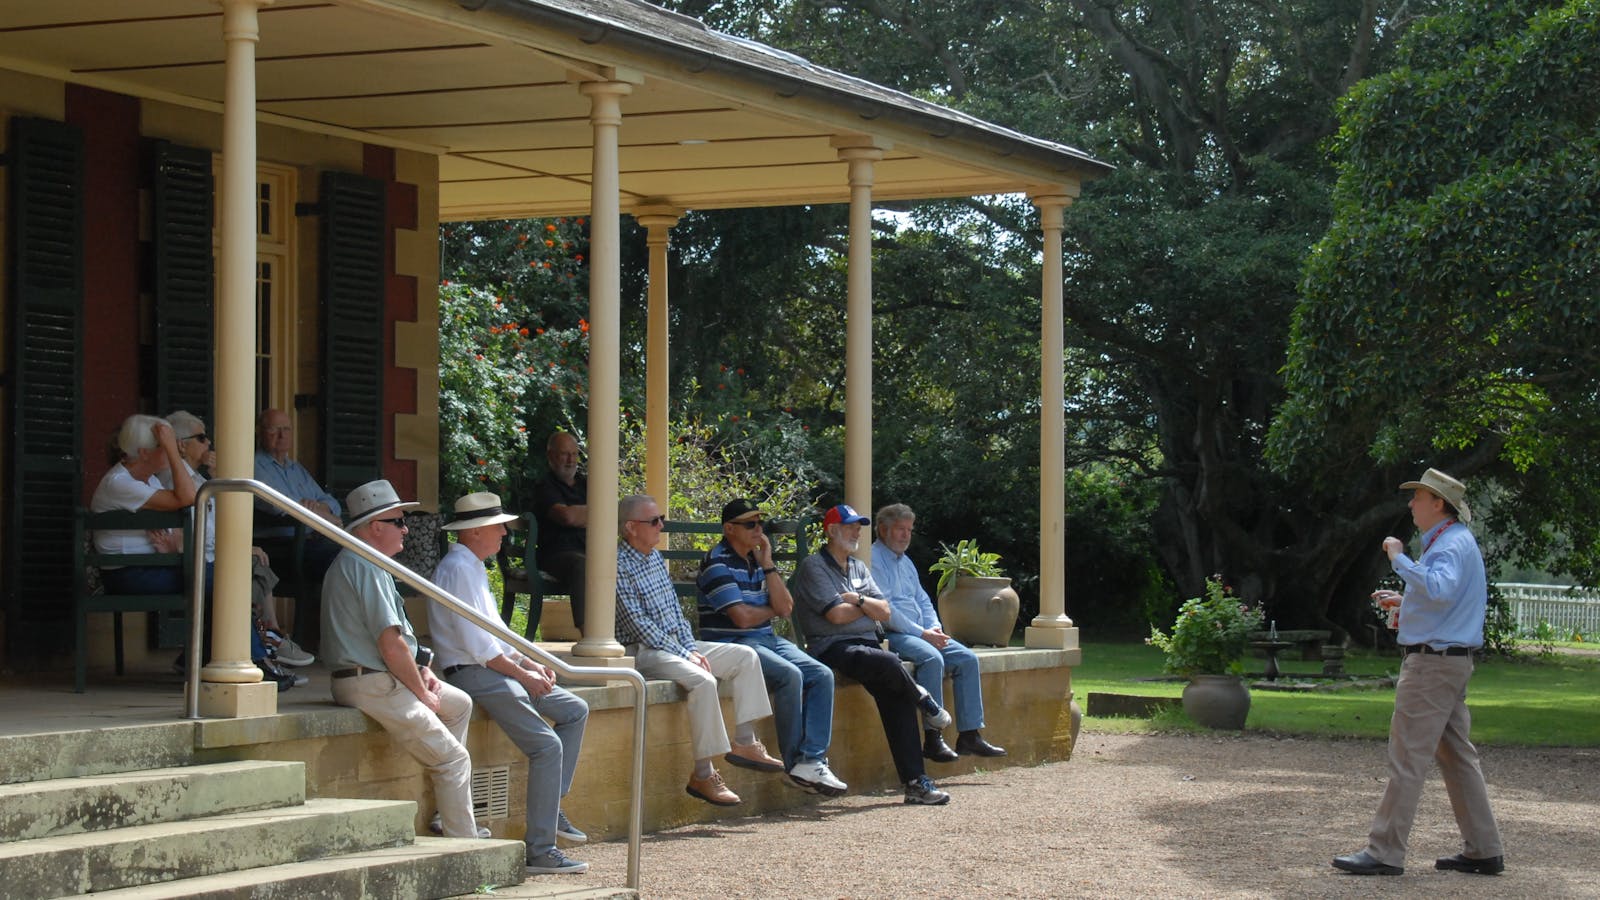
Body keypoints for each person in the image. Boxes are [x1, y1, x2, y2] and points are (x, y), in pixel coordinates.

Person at [1333, 468, 1504, 877]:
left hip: (1431, 665)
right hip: (1450, 663)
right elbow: (1443, 599)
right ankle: (1484, 849)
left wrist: (1398, 557)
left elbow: (1440, 589)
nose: (1411, 504)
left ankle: (1385, 851)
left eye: (1419, 497)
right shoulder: (1456, 542)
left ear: (1438, 504)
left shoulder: (1447, 546)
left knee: (1408, 756)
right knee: (1458, 757)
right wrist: (1406, 602)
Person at [429, 491, 590, 875]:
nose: (505, 532)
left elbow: (497, 634)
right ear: (477, 531)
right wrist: (523, 674)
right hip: (472, 672)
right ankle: (540, 850)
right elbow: (478, 646)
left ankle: (551, 809)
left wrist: (530, 662)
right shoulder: (458, 568)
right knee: (547, 747)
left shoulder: (472, 565)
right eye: (499, 526)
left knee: (574, 709)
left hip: (489, 668)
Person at [320, 479, 482, 839]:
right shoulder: (364, 564)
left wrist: (423, 672)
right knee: (454, 759)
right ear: (375, 527)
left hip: (375, 675)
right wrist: (421, 693)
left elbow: (398, 643)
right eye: (398, 521)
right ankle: (465, 847)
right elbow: (390, 645)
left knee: (459, 704)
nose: (406, 528)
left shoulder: (368, 561)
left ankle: (446, 812)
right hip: (369, 681)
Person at [614, 494, 784, 806]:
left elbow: (676, 613)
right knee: (703, 680)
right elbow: (637, 624)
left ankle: (745, 742)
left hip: (675, 646)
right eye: (654, 521)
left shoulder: (653, 556)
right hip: (640, 651)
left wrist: (690, 647)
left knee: (746, 656)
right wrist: (685, 654)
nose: (661, 525)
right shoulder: (617, 564)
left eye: (661, 518)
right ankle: (703, 774)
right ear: (630, 527)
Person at [791, 504, 953, 806]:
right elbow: (836, 617)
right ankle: (923, 699)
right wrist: (866, 609)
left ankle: (916, 783)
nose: (857, 532)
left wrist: (859, 600)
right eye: (851, 526)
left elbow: (885, 610)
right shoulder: (814, 566)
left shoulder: (858, 567)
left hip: (866, 647)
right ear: (832, 531)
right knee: (890, 662)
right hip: (831, 647)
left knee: (895, 690)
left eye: (859, 526)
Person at [696, 498, 847, 796]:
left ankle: (812, 759)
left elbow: (786, 607)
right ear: (729, 528)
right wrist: (771, 609)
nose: (758, 530)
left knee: (821, 674)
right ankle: (795, 766)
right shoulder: (716, 562)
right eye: (750, 524)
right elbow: (741, 619)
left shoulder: (757, 560)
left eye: (760, 523)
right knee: (790, 675)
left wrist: (767, 563)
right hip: (734, 643)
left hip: (766, 639)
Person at [166, 410, 314, 673]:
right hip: (195, 557)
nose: (209, 443)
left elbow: (215, 520)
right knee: (238, 574)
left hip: (208, 553)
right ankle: (266, 645)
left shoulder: (198, 477)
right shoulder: (177, 479)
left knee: (252, 562)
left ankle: (267, 641)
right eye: (202, 438)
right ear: (181, 445)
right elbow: (199, 527)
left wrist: (216, 475)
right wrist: (237, 548)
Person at [871, 503, 1005, 761]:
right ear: (883, 529)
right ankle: (933, 738)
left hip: (921, 631)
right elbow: (887, 611)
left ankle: (970, 735)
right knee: (932, 658)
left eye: (909, 529)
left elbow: (922, 599)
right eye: (900, 529)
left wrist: (935, 627)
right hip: (895, 634)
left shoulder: (905, 562)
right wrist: (923, 634)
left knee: (967, 659)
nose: (906, 535)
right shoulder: (873, 559)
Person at [253, 408, 342, 648]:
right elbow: (279, 506)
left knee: (354, 559)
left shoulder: (296, 469)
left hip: (309, 544)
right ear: (260, 432)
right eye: (274, 429)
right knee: (345, 559)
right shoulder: (255, 466)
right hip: (279, 549)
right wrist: (316, 512)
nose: (281, 435)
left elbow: (331, 502)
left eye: (286, 429)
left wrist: (319, 508)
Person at [531, 431, 588, 635]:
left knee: (619, 560)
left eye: (574, 454)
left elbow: (610, 510)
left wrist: (580, 513)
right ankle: (589, 634)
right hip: (555, 556)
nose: (571, 460)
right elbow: (566, 517)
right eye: (565, 454)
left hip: (588, 551)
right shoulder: (544, 486)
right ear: (551, 456)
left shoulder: (586, 484)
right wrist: (595, 512)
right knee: (582, 564)